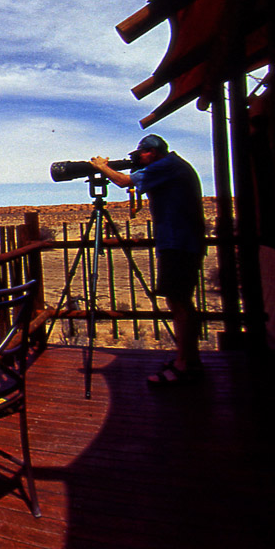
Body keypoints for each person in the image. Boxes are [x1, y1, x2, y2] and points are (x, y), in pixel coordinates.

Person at [91, 135, 206, 386]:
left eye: (140, 154)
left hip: (179, 242)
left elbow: (123, 181)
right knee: (180, 302)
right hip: (180, 241)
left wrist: (101, 166)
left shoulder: (167, 166)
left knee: (179, 302)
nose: (137, 158)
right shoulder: (172, 166)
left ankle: (185, 365)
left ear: (152, 152)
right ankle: (187, 359)